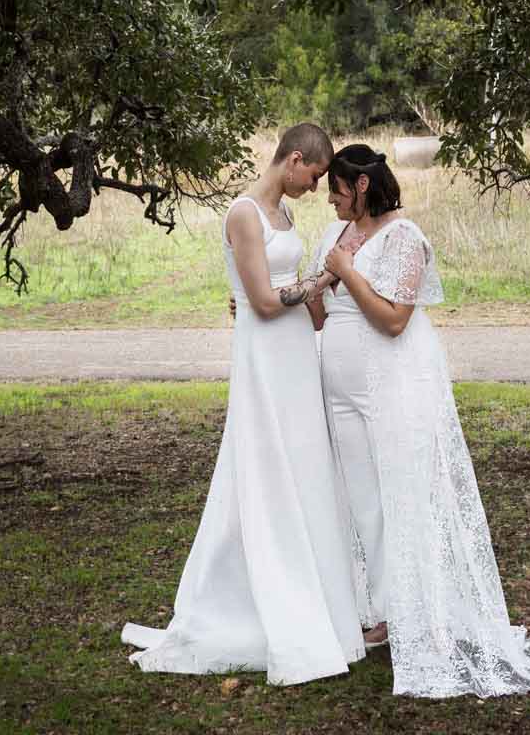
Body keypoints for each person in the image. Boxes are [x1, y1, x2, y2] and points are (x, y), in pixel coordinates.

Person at [310, 143, 530, 700]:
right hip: (342, 394)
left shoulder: (406, 238)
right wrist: (305, 293)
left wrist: (347, 272)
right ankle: (380, 610)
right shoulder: (330, 237)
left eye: (336, 189)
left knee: (405, 496)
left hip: (397, 389)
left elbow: (394, 320)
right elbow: (321, 315)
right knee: (364, 499)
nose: (327, 199)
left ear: (361, 188)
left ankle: (422, 615)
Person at [121, 123, 366, 686]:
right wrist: (323, 279)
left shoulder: (285, 216)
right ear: (295, 159)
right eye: (316, 175)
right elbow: (259, 300)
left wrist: (318, 304)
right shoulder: (244, 213)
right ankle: (256, 600)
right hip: (265, 356)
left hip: (297, 353)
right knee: (265, 464)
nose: (317, 186)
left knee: (305, 465)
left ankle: (317, 594)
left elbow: (285, 288)